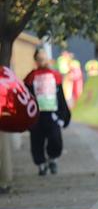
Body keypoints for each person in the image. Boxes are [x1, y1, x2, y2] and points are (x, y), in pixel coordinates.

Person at [24, 48, 71, 176]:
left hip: (52, 114)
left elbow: (61, 97)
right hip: (37, 116)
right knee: (36, 141)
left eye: (44, 58)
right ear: (36, 61)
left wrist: (63, 115)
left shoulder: (55, 76)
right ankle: (41, 165)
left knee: (55, 139)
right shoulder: (30, 77)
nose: (42, 61)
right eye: (39, 59)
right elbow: (26, 98)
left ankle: (53, 159)